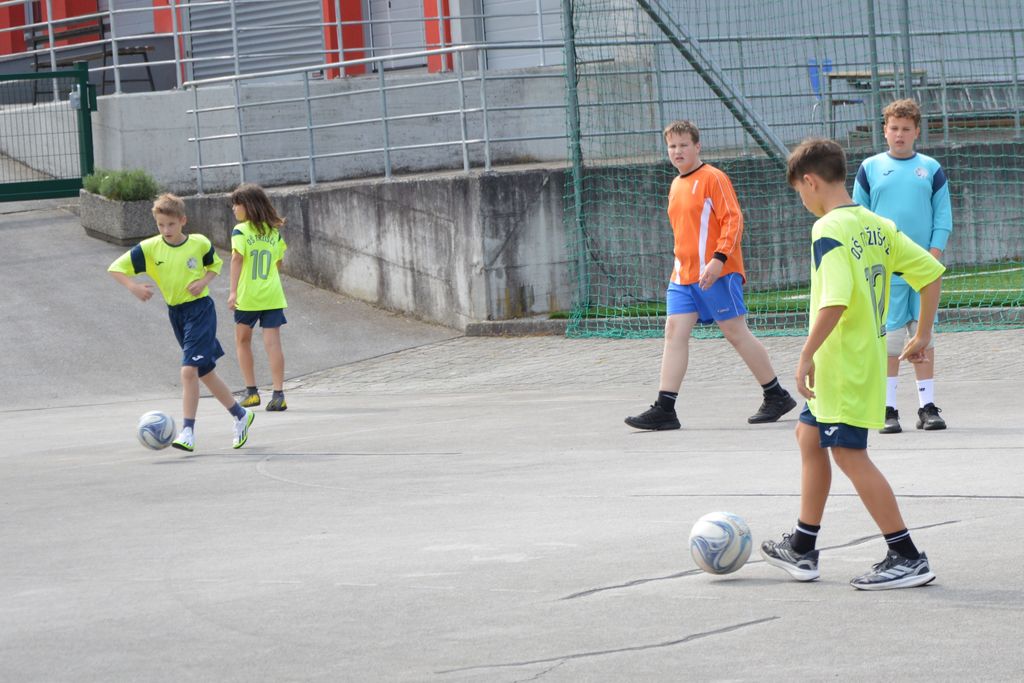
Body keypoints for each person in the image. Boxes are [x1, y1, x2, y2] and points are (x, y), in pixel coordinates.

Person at [761, 138, 944, 590]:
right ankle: (802, 547)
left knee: (848, 453)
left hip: (843, 364)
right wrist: (922, 333)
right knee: (809, 436)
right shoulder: (877, 224)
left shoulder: (828, 229)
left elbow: (836, 300)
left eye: (799, 192)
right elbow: (930, 273)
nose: (802, 200)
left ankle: (907, 556)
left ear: (810, 182)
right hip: (857, 361)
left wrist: (805, 353)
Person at [625, 120, 796, 430]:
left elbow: (733, 220)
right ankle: (665, 408)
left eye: (683, 145)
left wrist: (719, 259)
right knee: (674, 332)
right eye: (672, 146)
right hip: (682, 276)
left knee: (735, 332)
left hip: (718, 273)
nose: (677, 151)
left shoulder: (713, 178)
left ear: (697, 146)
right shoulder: (676, 184)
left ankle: (776, 395)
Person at [109, 193, 255, 452]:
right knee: (204, 372)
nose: (166, 230)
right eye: (161, 225)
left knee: (188, 371)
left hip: (200, 310)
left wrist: (203, 281)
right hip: (176, 313)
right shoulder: (150, 248)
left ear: (183, 221)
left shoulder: (199, 243)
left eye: (171, 224)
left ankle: (187, 431)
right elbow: (115, 268)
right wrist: (133, 287)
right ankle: (240, 414)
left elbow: (215, 265)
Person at [853, 99, 953, 433]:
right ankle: (888, 408)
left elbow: (943, 217)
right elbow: (858, 217)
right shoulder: (870, 168)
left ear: (916, 132)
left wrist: (931, 257)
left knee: (924, 336)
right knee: (890, 340)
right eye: (894, 128)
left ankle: (928, 407)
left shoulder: (931, 169)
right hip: (885, 272)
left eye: (906, 129)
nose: (899, 134)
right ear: (884, 130)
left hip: (922, 271)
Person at [228, 183, 289, 412]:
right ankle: (278, 394)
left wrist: (233, 291)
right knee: (273, 343)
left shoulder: (240, 231)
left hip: (249, 295)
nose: (234, 208)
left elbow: (237, 259)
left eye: (236, 204)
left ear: (248, 206)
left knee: (243, 341)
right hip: (273, 294)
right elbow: (278, 263)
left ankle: (252, 392)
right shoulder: (274, 232)